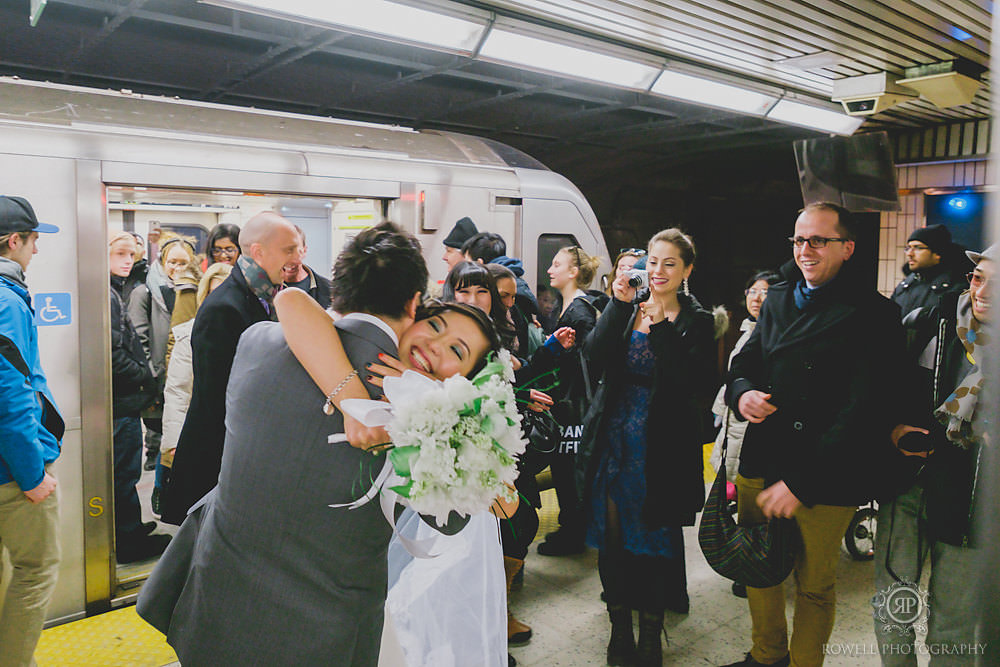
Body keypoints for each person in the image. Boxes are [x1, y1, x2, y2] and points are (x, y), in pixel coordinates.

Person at [137, 223, 493, 666]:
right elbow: (451, 520)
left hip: (216, 597)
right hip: (325, 631)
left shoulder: (256, 343)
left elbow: (292, 303)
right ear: (414, 304)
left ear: (337, 284)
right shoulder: (421, 412)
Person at [722, 202, 906, 667]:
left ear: (847, 247)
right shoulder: (780, 298)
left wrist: (802, 483)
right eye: (799, 240)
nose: (805, 250)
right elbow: (746, 361)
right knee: (759, 566)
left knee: (815, 586)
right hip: (763, 460)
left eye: (818, 240)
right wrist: (742, 393)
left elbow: (865, 411)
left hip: (827, 476)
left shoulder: (875, 314)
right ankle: (766, 656)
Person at [581, 229, 715, 667]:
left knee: (655, 543)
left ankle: (652, 635)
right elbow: (594, 356)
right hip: (613, 437)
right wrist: (618, 306)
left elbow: (690, 384)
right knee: (613, 540)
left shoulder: (696, 319)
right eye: (652, 262)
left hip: (660, 445)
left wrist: (659, 326)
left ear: (687, 271)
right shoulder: (627, 306)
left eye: (669, 264)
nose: (657, 272)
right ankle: (619, 628)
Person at [874, 244, 995, 666]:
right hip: (909, 482)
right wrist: (890, 425)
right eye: (979, 277)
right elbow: (884, 382)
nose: (983, 290)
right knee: (893, 607)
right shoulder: (933, 320)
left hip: (973, 501)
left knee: (954, 623)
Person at [159, 211, 300, 525]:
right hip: (218, 461)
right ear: (259, 252)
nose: (297, 256)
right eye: (288, 249)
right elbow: (218, 400)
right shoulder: (225, 307)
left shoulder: (265, 297)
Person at [0, 196, 63, 667]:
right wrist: (32, 474)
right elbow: (11, 395)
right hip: (10, 473)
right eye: (34, 239)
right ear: (14, 241)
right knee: (35, 569)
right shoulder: (6, 300)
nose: (37, 250)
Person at [710, 269, 780, 599]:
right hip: (735, 426)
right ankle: (747, 558)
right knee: (740, 499)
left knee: (754, 507)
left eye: (765, 292)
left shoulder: (775, 334)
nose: (756, 298)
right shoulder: (745, 330)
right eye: (753, 291)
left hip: (754, 430)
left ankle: (757, 563)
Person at [535, 245, 602, 558]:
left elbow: (589, 359)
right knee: (565, 469)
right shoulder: (565, 308)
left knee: (571, 471)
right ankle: (572, 527)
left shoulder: (580, 311)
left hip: (573, 404)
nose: (550, 270)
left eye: (557, 264)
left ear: (573, 272)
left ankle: (574, 532)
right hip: (564, 402)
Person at [109, 232, 171, 563]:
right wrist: (145, 378)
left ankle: (130, 526)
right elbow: (115, 354)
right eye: (120, 253)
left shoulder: (122, 288)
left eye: (132, 255)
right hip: (121, 403)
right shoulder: (107, 294)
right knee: (123, 472)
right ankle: (128, 540)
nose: (127, 260)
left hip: (122, 402)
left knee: (126, 470)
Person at [153, 263, 232, 516]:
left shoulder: (251, 333)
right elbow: (177, 391)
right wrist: (175, 443)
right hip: (201, 435)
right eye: (212, 294)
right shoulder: (189, 335)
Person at [129, 235, 201, 472]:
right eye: (172, 262)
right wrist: (151, 374)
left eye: (183, 263)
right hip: (157, 373)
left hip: (185, 371)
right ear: (162, 261)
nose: (177, 268)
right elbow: (140, 339)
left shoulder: (197, 291)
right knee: (161, 430)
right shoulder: (145, 293)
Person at [891, 224, 971, 360]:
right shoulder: (906, 285)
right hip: (899, 360)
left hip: (932, 366)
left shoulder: (955, 288)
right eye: (908, 248)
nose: (910, 253)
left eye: (918, 248)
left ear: (937, 253)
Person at [461, 232, 541, 354]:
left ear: (479, 264)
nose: (509, 303)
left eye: (469, 264)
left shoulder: (502, 298)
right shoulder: (519, 283)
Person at [281, 225, 332, 308]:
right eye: (283, 251)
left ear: (304, 251)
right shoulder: (265, 291)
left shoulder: (329, 290)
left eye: (294, 251)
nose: (289, 259)